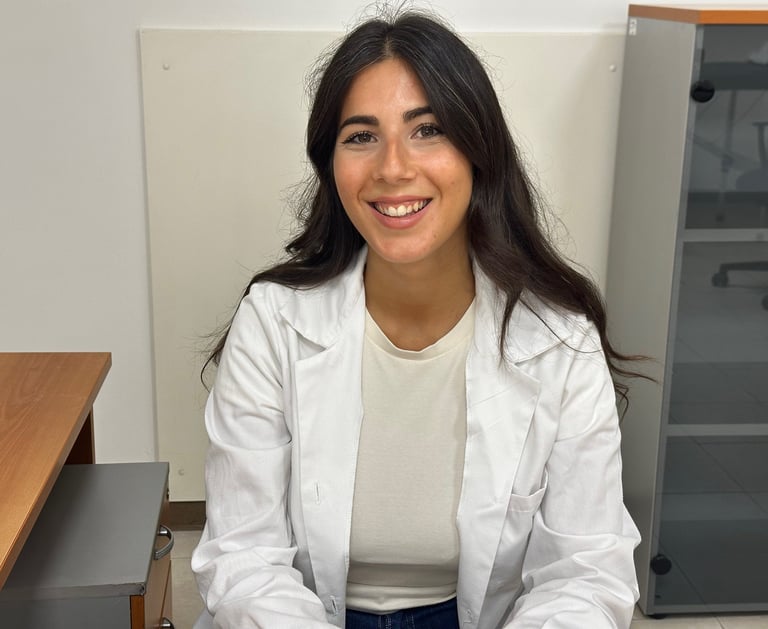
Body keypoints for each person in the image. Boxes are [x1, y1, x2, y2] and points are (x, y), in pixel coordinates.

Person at [191, 8, 642, 629]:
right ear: (330, 166)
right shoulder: (273, 322)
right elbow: (244, 558)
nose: (393, 168)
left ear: (478, 151)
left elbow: (585, 575)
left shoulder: (559, 340)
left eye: (427, 130)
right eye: (361, 136)